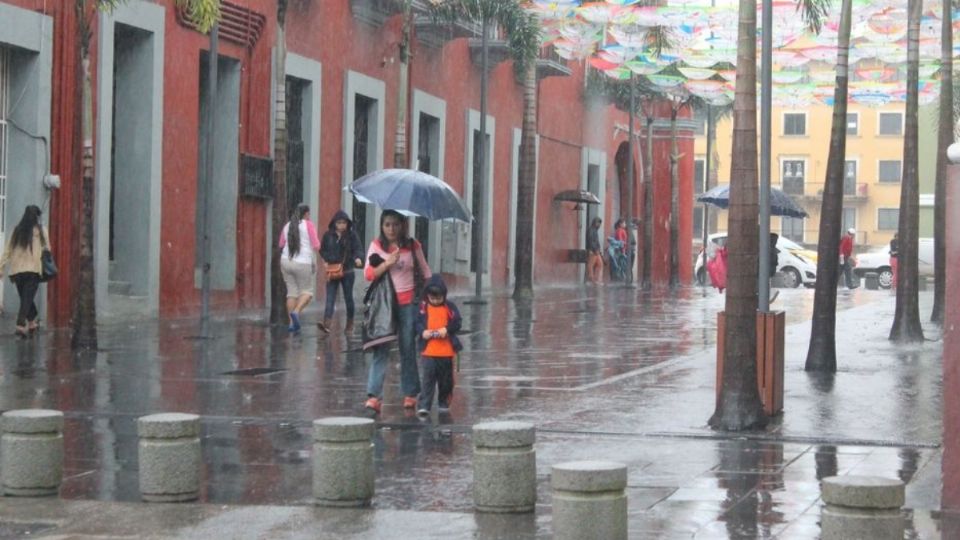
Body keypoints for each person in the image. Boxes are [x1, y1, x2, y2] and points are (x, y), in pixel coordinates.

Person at [363, 210, 432, 414]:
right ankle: (374, 396)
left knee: (407, 348)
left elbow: (426, 272)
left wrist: (429, 299)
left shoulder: (413, 245)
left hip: (408, 304)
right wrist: (387, 263)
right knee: (381, 349)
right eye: (387, 225)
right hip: (385, 305)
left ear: (402, 225)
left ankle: (410, 393)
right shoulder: (377, 246)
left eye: (395, 224)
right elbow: (368, 274)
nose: (391, 229)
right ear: (382, 226)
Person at [414, 275, 462, 417]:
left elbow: (457, 322)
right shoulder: (423, 308)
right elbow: (416, 322)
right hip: (428, 351)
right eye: (432, 298)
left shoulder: (450, 307)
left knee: (446, 380)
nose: (435, 301)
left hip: (446, 352)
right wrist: (423, 332)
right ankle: (424, 405)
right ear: (427, 296)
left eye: (438, 298)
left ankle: (443, 401)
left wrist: (447, 329)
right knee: (428, 379)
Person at [0, 205, 50, 337]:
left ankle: (32, 322)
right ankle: (20, 325)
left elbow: (8, 250)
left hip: (17, 271)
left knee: (25, 297)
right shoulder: (41, 231)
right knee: (26, 298)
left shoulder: (17, 230)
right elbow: (47, 250)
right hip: (33, 270)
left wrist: (1, 266)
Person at [319, 210, 364, 334]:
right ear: (334, 223)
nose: (341, 225)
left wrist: (358, 258)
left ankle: (350, 323)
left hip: (347, 271)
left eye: (344, 222)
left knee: (348, 297)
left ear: (347, 223)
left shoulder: (352, 235)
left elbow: (358, 249)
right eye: (339, 223)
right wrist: (326, 260)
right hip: (333, 271)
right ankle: (326, 323)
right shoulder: (328, 235)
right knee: (330, 298)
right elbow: (322, 250)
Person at [278, 204, 320, 333]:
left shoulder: (288, 225)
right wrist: (315, 261)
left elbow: (281, 244)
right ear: (306, 214)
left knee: (292, 293)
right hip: (302, 263)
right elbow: (316, 245)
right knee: (307, 292)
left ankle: (292, 324)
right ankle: (296, 313)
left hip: (286, 261)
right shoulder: (308, 225)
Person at [586, 217, 603, 285]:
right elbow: (591, 241)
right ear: (595, 222)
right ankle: (591, 280)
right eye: (598, 223)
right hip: (593, 250)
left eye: (600, 223)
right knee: (591, 265)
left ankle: (595, 279)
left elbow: (595, 241)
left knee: (599, 264)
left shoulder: (594, 230)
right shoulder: (591, 230)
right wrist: (595, 249)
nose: (599, 224)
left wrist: (598, 249)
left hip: (596, 250)